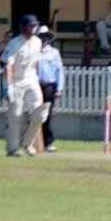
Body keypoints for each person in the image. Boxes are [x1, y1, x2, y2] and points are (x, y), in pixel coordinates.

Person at [1, 14, 46, 157]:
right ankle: (13, 149)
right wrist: (8, 86)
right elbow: (8, 65)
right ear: (23, 27)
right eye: (31, 25)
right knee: (16, 116)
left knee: (39, 113)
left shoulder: (38, 42)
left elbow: (36, 62)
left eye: (35, 25)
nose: (34, 28)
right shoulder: (14, 43)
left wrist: (40, 80)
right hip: (16, 82)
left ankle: (27, 144)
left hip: (32, 80)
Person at [35, 25, 65, 154]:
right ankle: (34, 143)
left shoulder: (54, 53)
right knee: (34, 114)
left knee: (46, 115)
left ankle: (48, 142)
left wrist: (59, 88)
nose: (43, 40)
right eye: (41, 37)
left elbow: (60, 71)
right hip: (35, 86)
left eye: (45, 37)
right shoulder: (34, 52)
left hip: (49, 87)